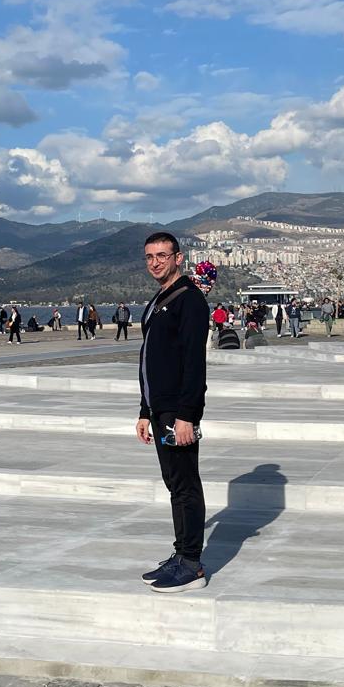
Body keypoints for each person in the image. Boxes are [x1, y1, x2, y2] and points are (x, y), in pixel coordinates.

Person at [136, 231, 210, 594]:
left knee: (185, 484)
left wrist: (187, 416)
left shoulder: (189, 300)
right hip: (160, 409)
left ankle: (192, 564)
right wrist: (145, 410)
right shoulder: (159, 299)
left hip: (177, 412)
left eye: (162, 255)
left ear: (179, 258)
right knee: (174, 484)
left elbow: (194, 364)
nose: (155, 262)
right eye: (150, 257)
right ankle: (180, 554)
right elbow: (152, 359)